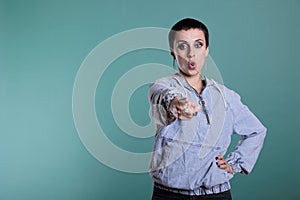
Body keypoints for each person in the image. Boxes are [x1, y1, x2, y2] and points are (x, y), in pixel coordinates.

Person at [148, 18, 266, 200]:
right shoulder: (161, 86)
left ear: (206, 50)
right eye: (182, 46)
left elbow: (256, 131)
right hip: (170, 195)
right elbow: (163, 95)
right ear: (173, 52)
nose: (190, 54)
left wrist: (234, 164)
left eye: (198, 45)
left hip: (217, 194)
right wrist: (177, 104)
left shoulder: (227, 96)